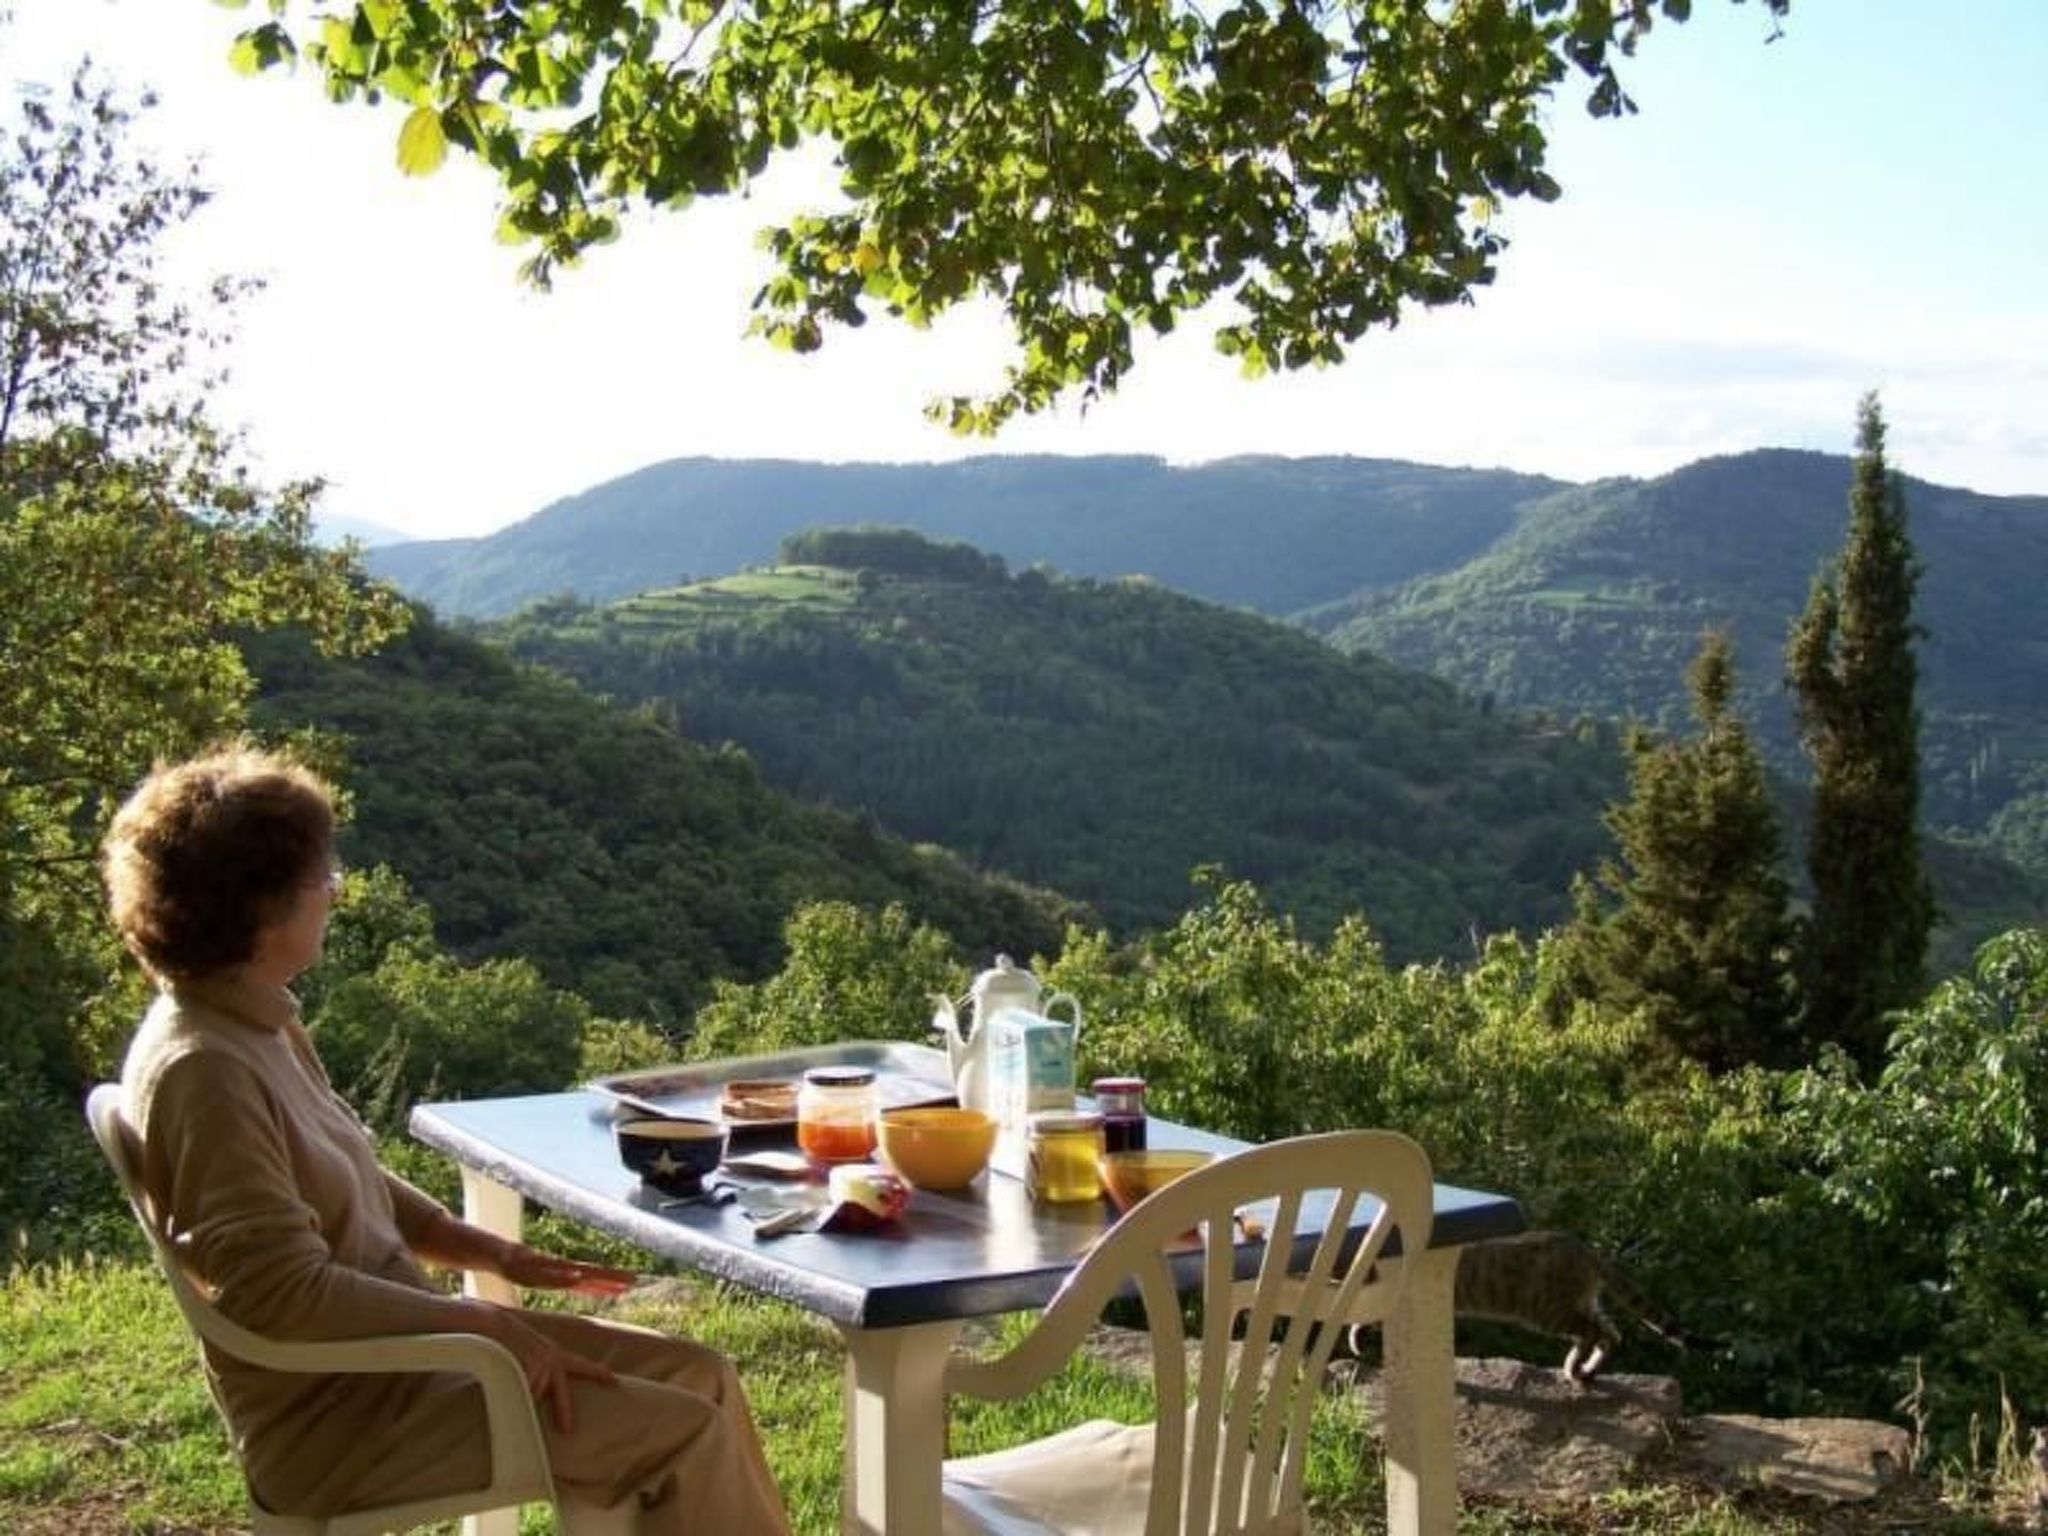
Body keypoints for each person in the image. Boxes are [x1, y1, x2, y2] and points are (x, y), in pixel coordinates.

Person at [101, 743, 791, 1534]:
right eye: (323, 877)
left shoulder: (254, 1016)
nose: (335, 891)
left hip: (408, 1369)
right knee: (682, 1432)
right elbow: (276, 1295)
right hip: (345, 1421)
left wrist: (490, 1254)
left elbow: (350, 1179)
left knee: (699, 1375)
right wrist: (483, 1323)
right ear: (260, 912)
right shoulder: (205, 1071)